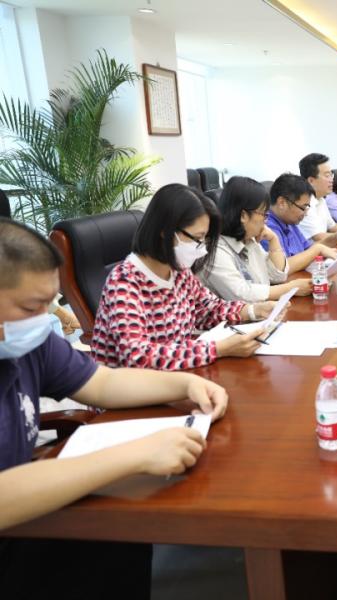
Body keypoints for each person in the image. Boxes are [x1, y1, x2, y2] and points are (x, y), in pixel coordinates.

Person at [0, 217, 227, 598]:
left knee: (121, 532)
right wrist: (134, 455)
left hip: (29, 517)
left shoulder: (28, 340)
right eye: (30, 306)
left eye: (49, 304)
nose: (46, 320)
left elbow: (102, 383)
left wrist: (186, 384)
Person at [91, 184, 278, 371]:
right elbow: (138, 357)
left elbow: (208, 309)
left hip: (179, 375)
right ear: (165, 231)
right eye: (197, 238)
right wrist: (219, 349)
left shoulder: (179, 271)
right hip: (133, 385)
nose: (202, 248)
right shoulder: (124, 282)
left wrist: (253, 310)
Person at [200, 177, 311, 302]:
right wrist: (290, 288)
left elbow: (277, 276)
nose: (266, 221)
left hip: (263, 311)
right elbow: (242, 295)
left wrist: (274, 241)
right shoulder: (214, 251)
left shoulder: (249, 240)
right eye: (264, 214)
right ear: (243, 216)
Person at [264, 174, 337, 273]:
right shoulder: (267, 227)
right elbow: (282, 268)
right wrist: (317, 250)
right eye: (303, 208)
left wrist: (335, 239)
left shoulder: (290, 222)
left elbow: (308, 250)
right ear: (282, 203)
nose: (306, 213)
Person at [297, 153, 337, 244]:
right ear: (311, 181)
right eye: (327, 176)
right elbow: (318, 237)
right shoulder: (304, 204)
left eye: (331, 175)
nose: (331, 180)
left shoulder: (321, 199)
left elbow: (332, 227)